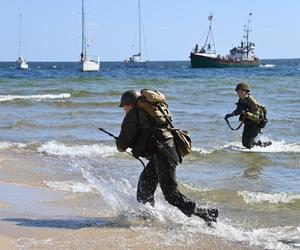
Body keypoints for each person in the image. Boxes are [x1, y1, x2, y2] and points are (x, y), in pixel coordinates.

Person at [116, 90, 218, 223]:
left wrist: (120, 142)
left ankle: (206, 213)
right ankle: (149, 217)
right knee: (144, 187)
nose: (124, 109)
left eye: (125, 106)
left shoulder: (133, 115)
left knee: (171, 195)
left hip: (163, 155)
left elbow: (122, 146)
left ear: (131, 104)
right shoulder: (148, 112)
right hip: (165, 152)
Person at [224, 83, 271, 149]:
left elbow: (256, 117)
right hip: (248, 123)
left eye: (239, 91)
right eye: (237, 91)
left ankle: (265, 145)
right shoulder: (241, 100)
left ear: (245, 92)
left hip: (256, 123)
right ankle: (260, 144)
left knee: (249, 145)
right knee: (244, 143)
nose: (238, 93)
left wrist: (247, 113)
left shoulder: (251, 101)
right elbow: (238, 110)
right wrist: (230, 115)